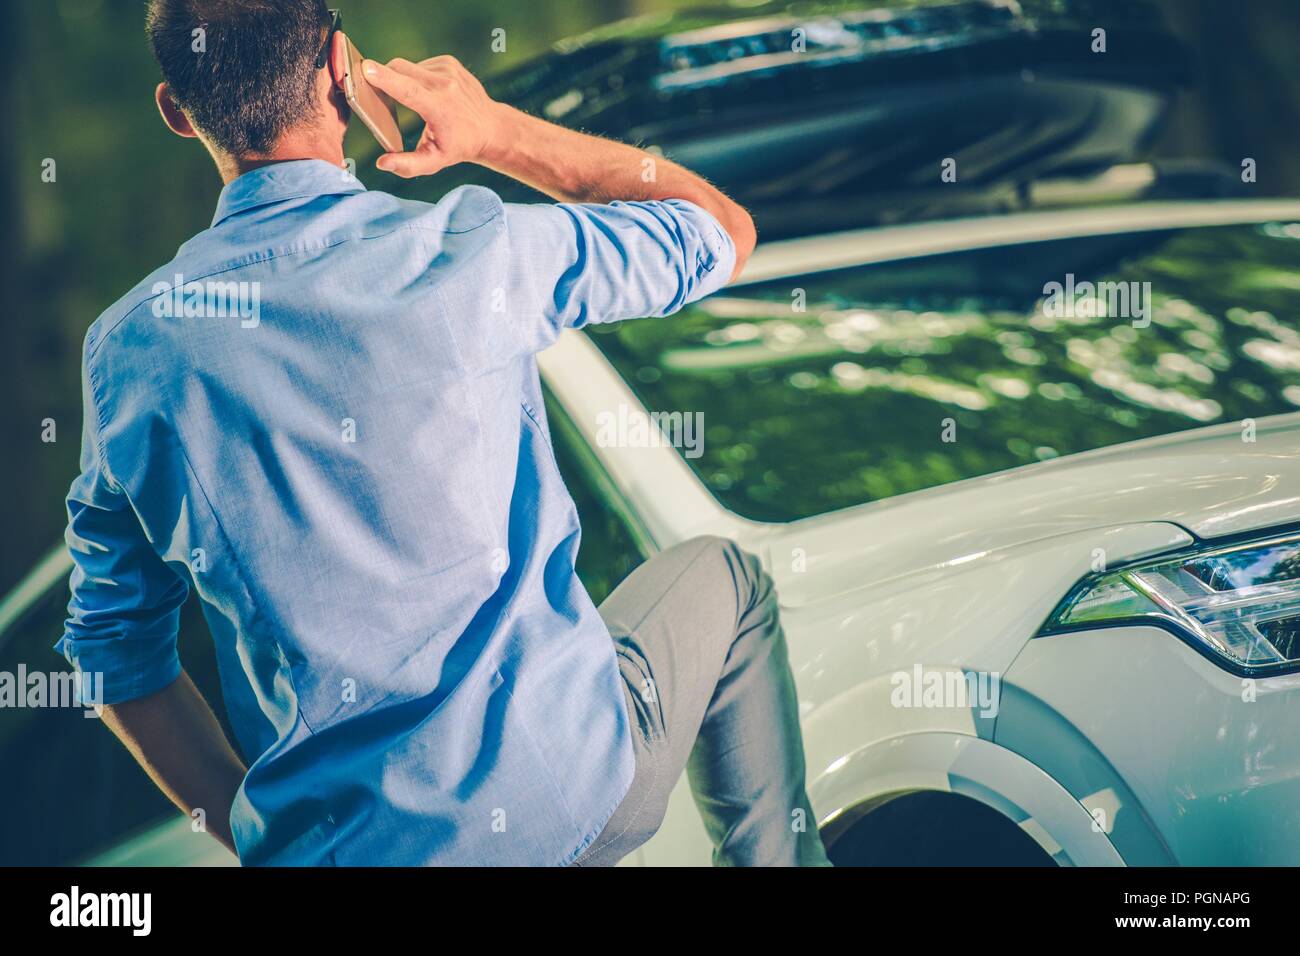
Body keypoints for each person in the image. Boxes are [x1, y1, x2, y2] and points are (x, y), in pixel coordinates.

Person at [58, 0, 829, 867]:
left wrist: (264, 831)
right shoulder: (465, 245)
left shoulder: (131, 354)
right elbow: (720, 231)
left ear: (175, 108)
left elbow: (113, 658)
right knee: (727, 580)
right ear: (342, 69)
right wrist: (496, 132)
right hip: (562, 800)